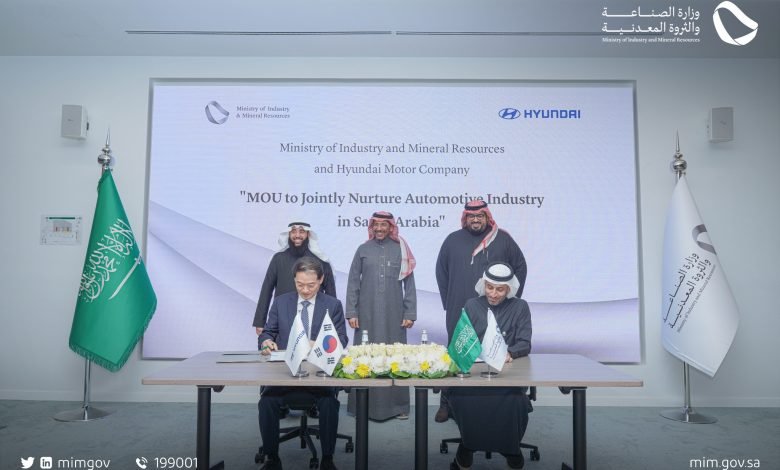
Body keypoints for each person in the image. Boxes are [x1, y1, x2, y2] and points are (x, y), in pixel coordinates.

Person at [434, 199, 527, 422]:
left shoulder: (502, 239)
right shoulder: (452, 240)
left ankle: (492, 402)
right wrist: (449, 302)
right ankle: (447, 403)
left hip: (495, 309)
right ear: (465, 218)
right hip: (459, 307)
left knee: (492, 350)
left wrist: (510, 300)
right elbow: (441, 272)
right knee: (457, 353)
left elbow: (520, 267)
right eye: (471, 216)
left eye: (480, 216)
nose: (475, 220)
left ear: (487, 216)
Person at [257, 256, 348, 470]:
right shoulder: (281, 302)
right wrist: (266, 342)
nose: (305, 290)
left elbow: (342, 340)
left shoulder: (332, 305)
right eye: (300, 285)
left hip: (318, 373)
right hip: (286, 373)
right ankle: (272, 458)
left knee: (329, 403)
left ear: (321, 280)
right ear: (294, 280)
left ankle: (327, 459)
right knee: (267, 402)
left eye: (311, 285)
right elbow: (267, 332)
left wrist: (320, 343)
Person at [448, 262, 532, 470]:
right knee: (463, 398)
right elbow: (461, 340)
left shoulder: (520, 307)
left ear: (509, 289)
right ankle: (468, 445)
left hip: (506, 373)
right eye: (489, 287)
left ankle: (511, 448)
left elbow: (524, 343)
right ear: (483, 285)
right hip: (475, 372)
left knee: (515, 401)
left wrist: (510, 353)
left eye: (500, 289)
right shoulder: (471, 305)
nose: (493, 294)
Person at [345, 211, 417, 420]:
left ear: (391, 227)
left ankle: (398, 407)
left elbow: (409, 284)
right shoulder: (363, 249)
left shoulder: (401, 250)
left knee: (395, 356)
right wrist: (352, 311)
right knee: (364, 356)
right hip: (366, 314)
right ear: (371, 226)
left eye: (383, 225)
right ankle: (360, 406)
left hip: (395, 314)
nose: (379, 228)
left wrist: (410, 312)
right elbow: (353, 282)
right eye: (375, 225)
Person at [254, 222, 337, 335]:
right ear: (288, 234)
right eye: (293, 231)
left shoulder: (321, 260)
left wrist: (332, 323)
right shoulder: (278, 259)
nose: (297, 235)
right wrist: (260, 322)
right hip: (283, 319)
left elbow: (331, 295)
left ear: (308, 234)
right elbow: (266, 290)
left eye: (301, 231)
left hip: (314, 320)